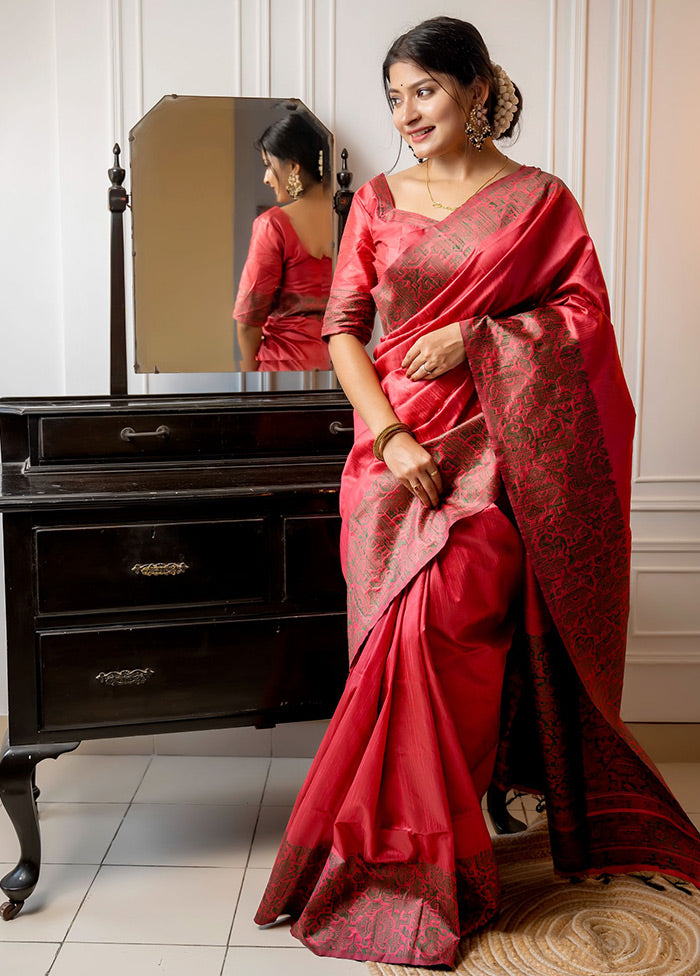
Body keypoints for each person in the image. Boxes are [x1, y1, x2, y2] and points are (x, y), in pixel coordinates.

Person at [254, 16, 700, 967]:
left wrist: (480, 336)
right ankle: (404, 856)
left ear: (475, 87)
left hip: (501, 453)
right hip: (393, 455)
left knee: (447, 630)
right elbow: (342, 328)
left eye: (424, 91)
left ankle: (436, 859)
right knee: (398, 646)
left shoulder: (539, 200)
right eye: (395, 98)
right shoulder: (373, 201)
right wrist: (391, 431)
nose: (407, 114)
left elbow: (582, 315)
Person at [233, 112, 333, 371]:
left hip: (283, 371)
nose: (266, 177)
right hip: (340, 369)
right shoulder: (351, 217)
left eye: (269, 164)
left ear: (293, 166)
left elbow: (248, 320)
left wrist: (248, 377)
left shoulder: (273, 224)